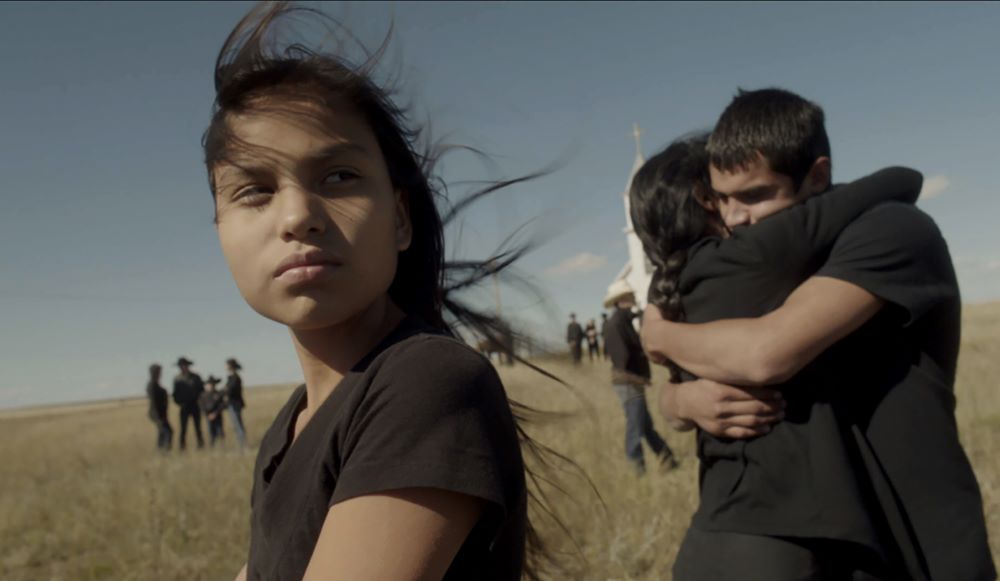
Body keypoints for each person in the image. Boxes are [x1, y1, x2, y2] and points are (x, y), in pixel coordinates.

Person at [202, 4, 567, 579]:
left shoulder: (426, 380)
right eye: (254, 190)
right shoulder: (290, 427)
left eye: (339, 177)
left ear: (400, 219)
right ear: (219, 230)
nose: (298, 215)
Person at [633, 90, 993, 580]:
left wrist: (658, 335)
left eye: (755, 194)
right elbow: (701, 378)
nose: (736, 218)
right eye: (722, 199)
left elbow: (766, 352)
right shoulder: (763, 264)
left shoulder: (892, 230)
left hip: (918, 539)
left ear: (818, 176)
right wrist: (678, 401)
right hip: (838, 543)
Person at [602, 280, 674, 474]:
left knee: (645, 425)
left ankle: (668, 458)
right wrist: (640, 376)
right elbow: (622, 359)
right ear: (623, 299)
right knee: (636, 426)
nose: (634, 296)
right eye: (630, 294)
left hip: (631, 381)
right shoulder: (616, 324)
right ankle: (638, 468)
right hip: (628, 382)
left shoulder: (621, 320)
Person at [172, 356, 205, 451]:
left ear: (188, 366)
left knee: (198, 428)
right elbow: (175, 394)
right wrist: (179, 403)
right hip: (184, 406)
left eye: (184, 365)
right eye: (181, 366)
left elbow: (201, 390)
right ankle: (182, 448)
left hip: (195, 405)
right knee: (183, 429)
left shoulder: (196, 377)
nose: (183, 367)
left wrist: (200, 401)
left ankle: (201, 446)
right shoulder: (177, 379)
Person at [146, 363, 172, 451]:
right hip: (157, 415)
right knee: (167, 432)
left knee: (163, 432)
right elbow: (153, 403)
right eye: (158, 372)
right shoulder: (152, 385)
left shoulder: (156, 384)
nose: (160, 374)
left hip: (161, 414)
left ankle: (162, 451)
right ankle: (165, 452)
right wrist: (158, 419)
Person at [224, 357, 248, 448]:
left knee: (238, 425)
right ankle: (241, 444)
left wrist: (225, 391)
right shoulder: (232, 377)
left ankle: (242, 445)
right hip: (233, 404)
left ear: (230, 366)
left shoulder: (235, 378)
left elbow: (230, 391)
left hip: (235, 404)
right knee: (237, 425)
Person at [200, 375, 227, 447]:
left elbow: (223, 405)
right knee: (211, 433)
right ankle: (212, 446)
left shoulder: (218, 394)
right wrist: (207, 415)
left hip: (218, 416)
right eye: (209, 384)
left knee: (220, 431)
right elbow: (202, 406)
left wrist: (215, 413)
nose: (211, 386)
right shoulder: (203, 395)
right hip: (208, 417)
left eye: (213, 384)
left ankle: (222, 446)